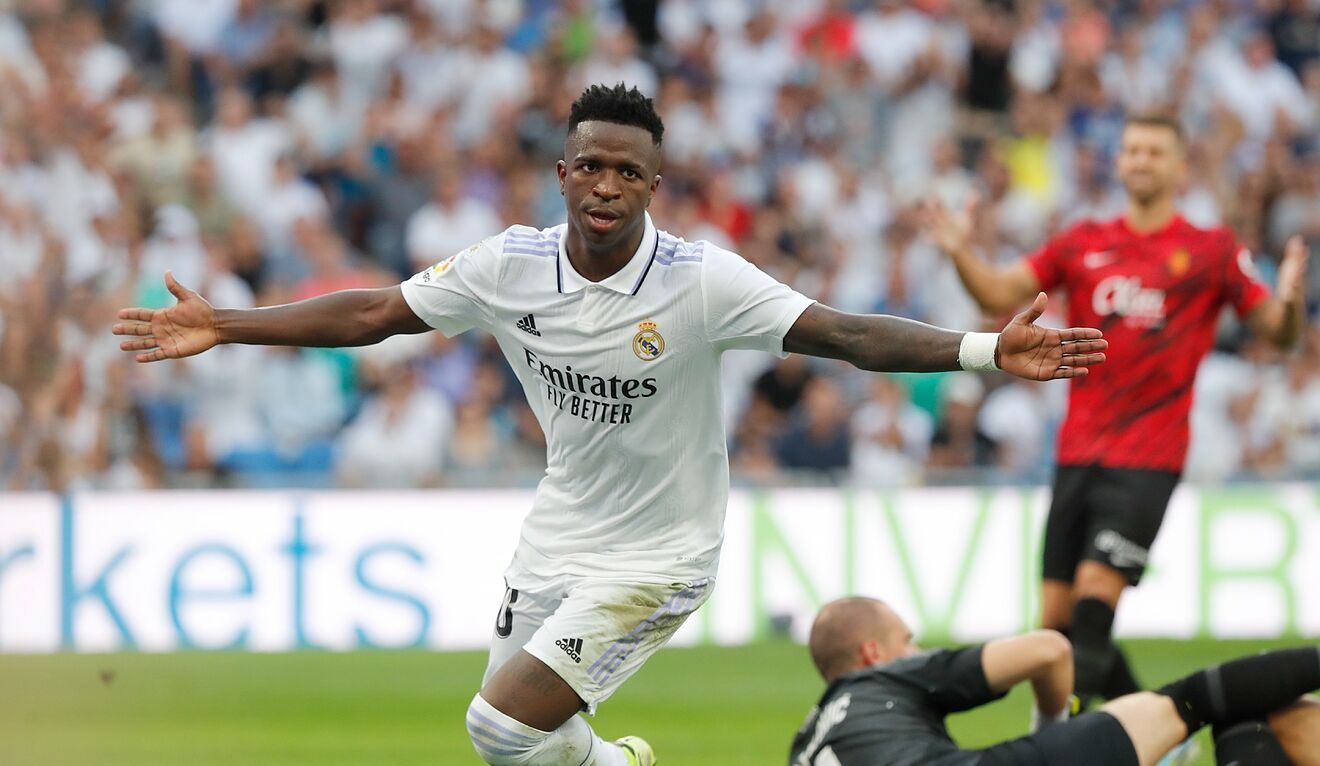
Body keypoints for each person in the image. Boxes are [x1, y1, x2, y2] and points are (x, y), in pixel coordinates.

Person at [114, 84, 1108, 766]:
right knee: (523, 743)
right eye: (589, 166)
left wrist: (983, 349)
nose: (604, 186)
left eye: (626, 174)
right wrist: (225, 324)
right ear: (562, 172)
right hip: (561, 530)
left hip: (661, 552)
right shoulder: (507, 264)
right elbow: (375, 313)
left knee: (496, 726)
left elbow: (842, 332)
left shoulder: (700, 281)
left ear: (651, 186)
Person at [923, 113, 1311, 704]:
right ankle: (1162, 726)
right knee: (1054, 622)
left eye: (1155, 151)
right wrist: (958, 251)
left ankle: (1083, 746)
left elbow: (1278, 335)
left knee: (1094, 599)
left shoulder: (1210, 250)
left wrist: (1287, 304)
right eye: (1131, 150)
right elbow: (1000, 294)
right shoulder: (1083, 242)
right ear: (1119, 161)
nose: (1140, 161)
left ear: (1181, 167)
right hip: (1078, 449)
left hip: (1149, 458)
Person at [790, 596, 1320, 766]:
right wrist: (1051, 727)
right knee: (1194, 702)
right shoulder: (885, 678)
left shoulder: (806, 744)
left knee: (1252, 715)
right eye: (909, 640)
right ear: (873, 653)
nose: (917, 653)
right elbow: (1049, 648)